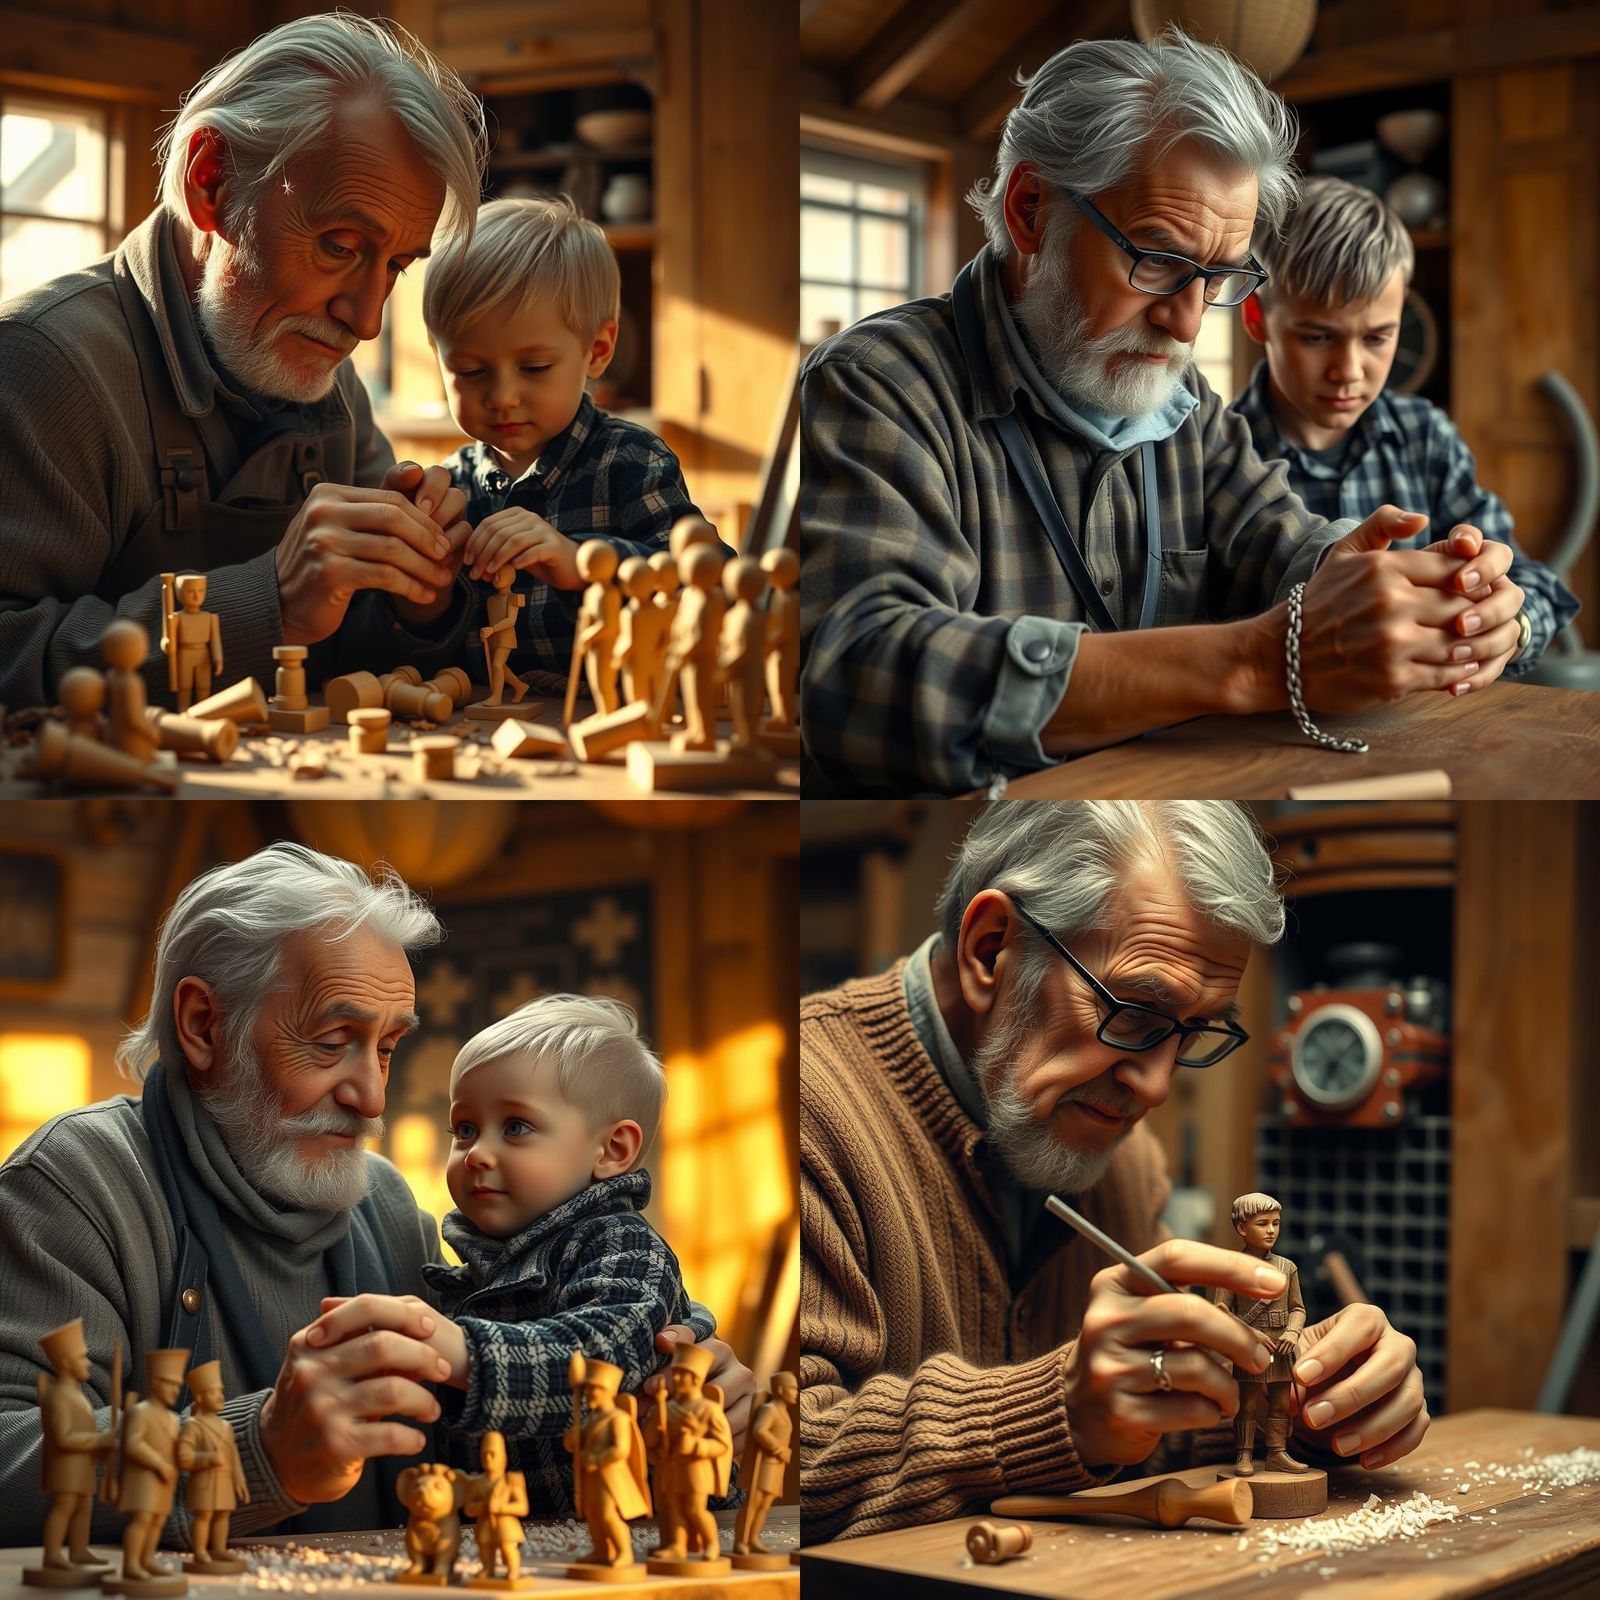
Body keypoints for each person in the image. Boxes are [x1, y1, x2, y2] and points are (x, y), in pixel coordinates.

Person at [798, 31, 1520, 796]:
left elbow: (1282, 545)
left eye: (1216, 277)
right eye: (1159, 260)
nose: (1186, 324)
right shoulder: (880, 384)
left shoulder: (1182, 404)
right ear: (1030, 211)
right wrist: (1248, 663)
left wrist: (1403, 590)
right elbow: (857, 675)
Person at [0, 844, 747, 1546]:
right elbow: (10, 1463)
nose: (371, 1096)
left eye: (387, 1048)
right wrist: (253, 1449)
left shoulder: (386, 1209)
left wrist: (671, 1401)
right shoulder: (78, 1184)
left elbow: (503, 1422)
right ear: (204, 1026)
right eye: (332, 1042)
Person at [800, 802, 1429, 1541]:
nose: (1157, 1088)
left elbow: (1143, 1422)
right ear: (990, 949)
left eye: (1194, 1031)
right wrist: (1055, 1413)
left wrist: (1308, 1406)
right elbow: (771, 1464)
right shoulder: (803, 1107)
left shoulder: (1120, 1154)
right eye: (1133, 1012)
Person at [0, 14, 489, 711]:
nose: (369, 320)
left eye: (398, 267)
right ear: (212, 183)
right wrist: (272, 601)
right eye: (340, 246)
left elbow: (361, 643)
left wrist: (421, 596)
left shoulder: (325, 377)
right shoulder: (43, 367)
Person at [307, 994, 696, 1515]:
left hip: (637, 1533)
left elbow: (610, 1356)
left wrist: (463, 1351)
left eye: (516, 1127)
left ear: (612, 1151)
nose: (478, 1154)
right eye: (464, 1130)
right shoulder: (469, 1274)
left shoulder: (621, 1243)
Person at [1231, 176, 1578, 677]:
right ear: (1257, 318)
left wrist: (1510, 625)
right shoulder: (1221, 454)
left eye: (1377, 337)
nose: (1348, 370)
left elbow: (1533, 581)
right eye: (1316, 337)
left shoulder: (1426, 437)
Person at [419, 196, 710, 698]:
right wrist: (425, 595)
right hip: (490, 733)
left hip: (617, 720)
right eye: (469, 371)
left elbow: (706, 582)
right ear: (438, 359)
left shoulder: (631, 461)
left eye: (534, 368)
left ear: (596, 351)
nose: (503, 397)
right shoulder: (450, 490)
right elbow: (427, 648)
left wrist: (581, 564)